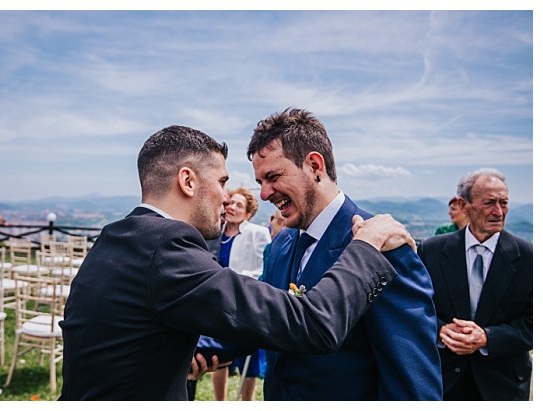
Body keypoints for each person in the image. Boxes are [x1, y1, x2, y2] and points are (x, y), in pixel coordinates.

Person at [59, 125, 415, 400]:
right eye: (223, 181)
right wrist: (367, 247)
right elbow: (311, 324)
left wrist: (198, 350)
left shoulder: (116, 238)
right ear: (187, 181)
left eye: (271, 178)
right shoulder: (166, 247)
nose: (230, 196)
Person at [247, 108, 441, 400]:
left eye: (273, 176)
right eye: (260, 182)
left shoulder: (384, 249)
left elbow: (412, 382)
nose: (264, 194)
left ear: (315, 165)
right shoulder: (280, 246)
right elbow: (265, 320)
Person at [419, 169, 531, 400]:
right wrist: (441, 330)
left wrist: (488, 338)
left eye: (504, 203)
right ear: (463, 204)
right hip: (443, 381)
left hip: (503, 386)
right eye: (489, 203)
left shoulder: (529, 257)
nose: (498, 212)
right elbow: (417, 307)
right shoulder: (431, 251)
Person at [210, 187, 271, 401]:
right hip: (219, 302)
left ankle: (247, 401)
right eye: (230, 203)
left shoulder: (257, 233)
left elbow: (265, 268)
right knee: (218, 352)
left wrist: (236, 278)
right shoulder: (214, 233)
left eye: (239, 205)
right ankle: (220, 401)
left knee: (249, 358)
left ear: (248, 213)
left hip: (245, 301)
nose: (232, 208)